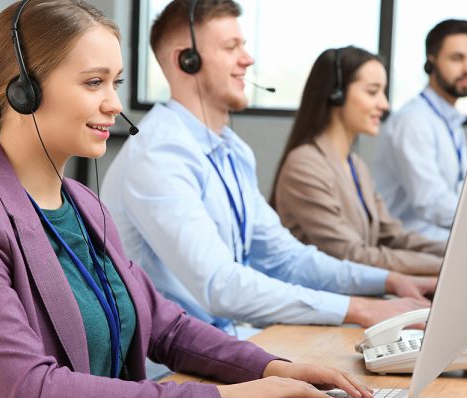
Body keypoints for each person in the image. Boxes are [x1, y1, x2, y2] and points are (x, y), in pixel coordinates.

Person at [0, 1, 376, 398]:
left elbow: (165, 327)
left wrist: (271, 367)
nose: (114, 104)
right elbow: (32, 396)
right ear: (24, 90)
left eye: (115, 82)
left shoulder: (85, 206)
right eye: (94, 82)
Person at [101, 0, 434, 331]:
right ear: (187, 61)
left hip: (229, 340)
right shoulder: (158, 155)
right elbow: (221, 286)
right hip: (169, 369)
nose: (248, 59)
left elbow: (288, 259)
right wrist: (360, 309)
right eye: (231, 48)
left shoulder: (233, 152)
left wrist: (392, 281)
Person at [271, 46, 446, 276]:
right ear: (337, 94)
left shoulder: (356, 165)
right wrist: (444, 267)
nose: (384, 104)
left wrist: (454, 251)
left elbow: (392, 235)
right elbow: (354, 255)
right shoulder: (304, 166)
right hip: (325, 301)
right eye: (373, 92)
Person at [374, 19, 467, 241]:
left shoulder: (449, 121)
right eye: (457, 58)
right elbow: (430, 201)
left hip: (442, 236)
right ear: (432, 62)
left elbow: (456, 196)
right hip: (409, 242)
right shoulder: (413, 121)